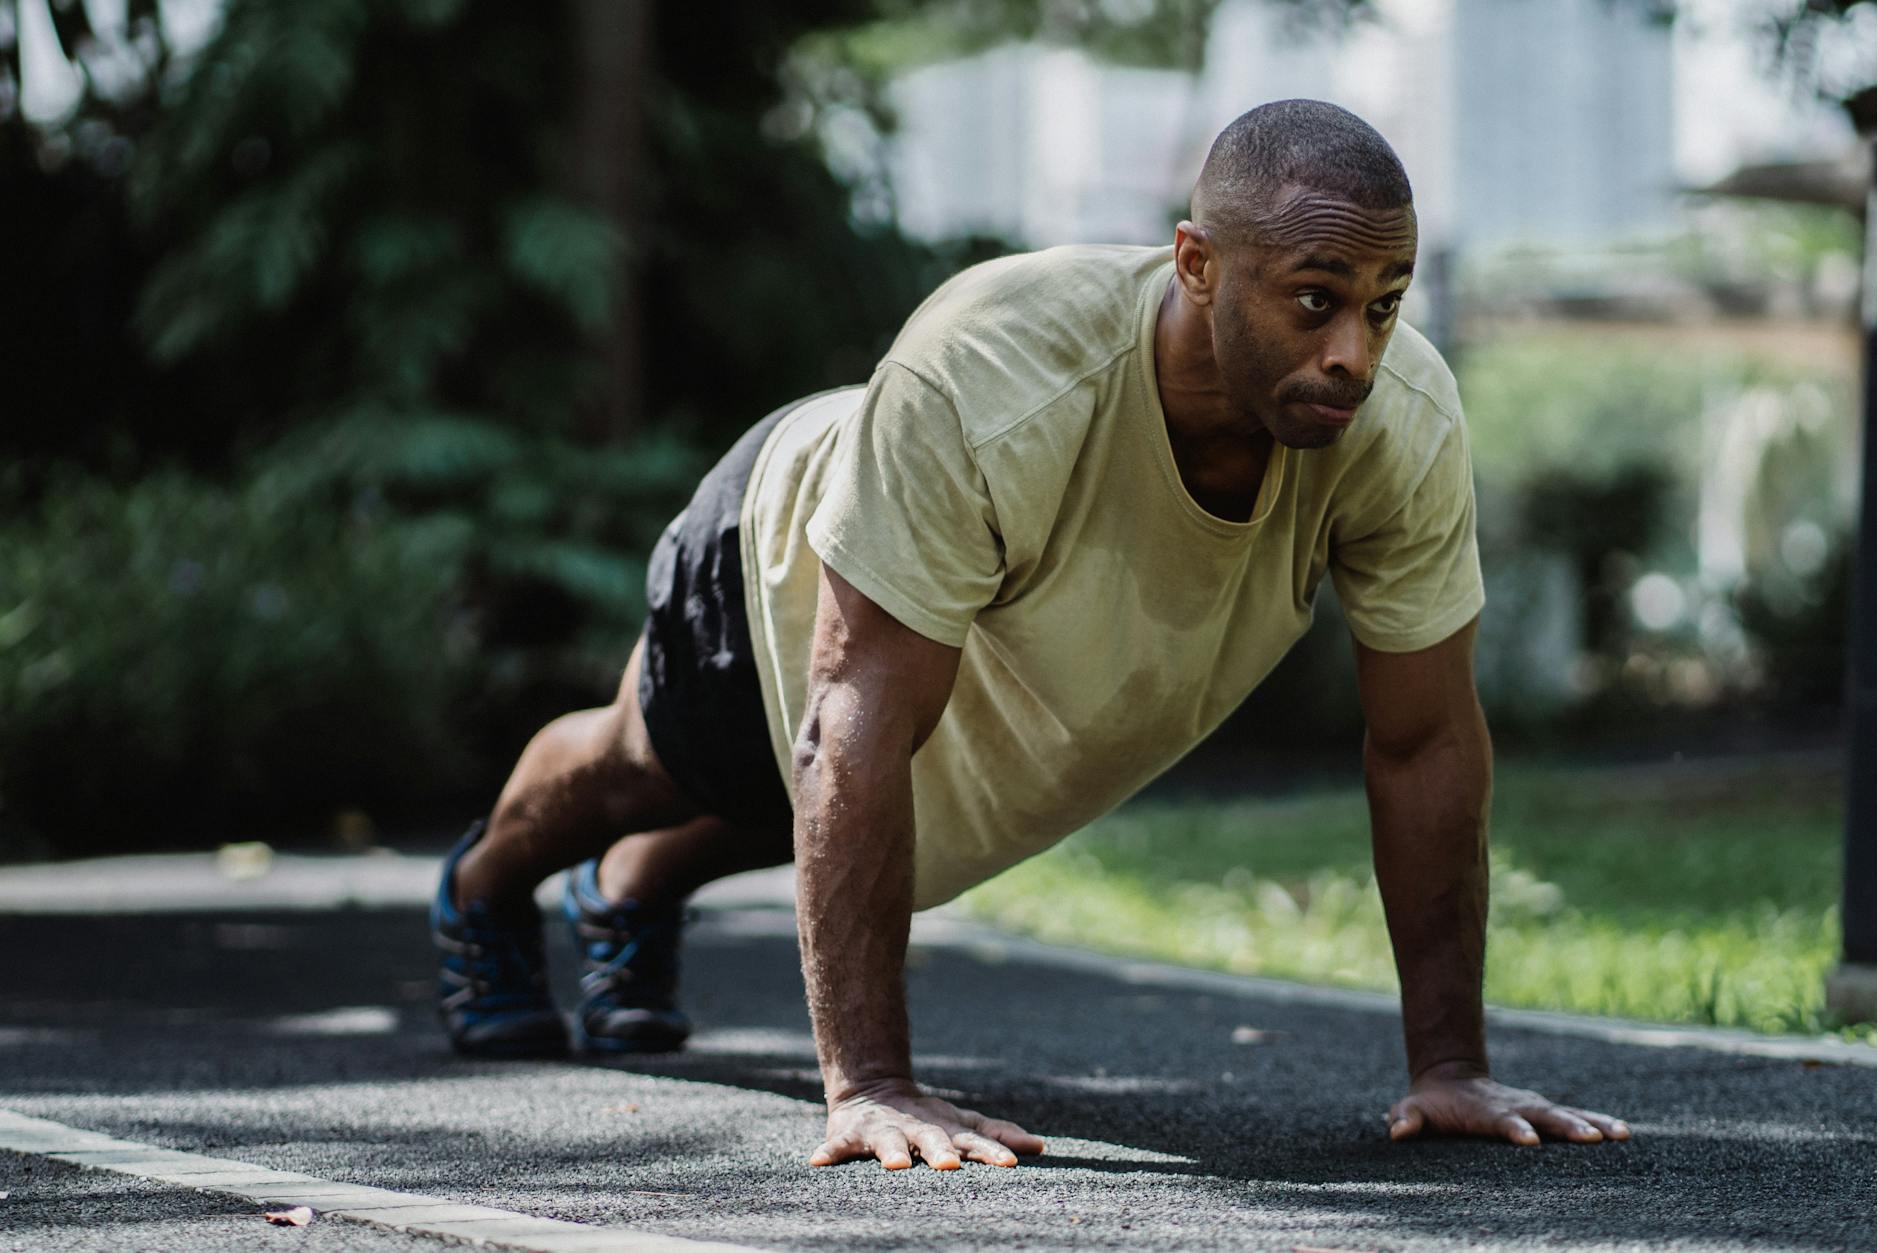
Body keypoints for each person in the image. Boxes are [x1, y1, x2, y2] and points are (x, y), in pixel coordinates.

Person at [430, 98, 1632, 1170]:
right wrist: (869, 1085)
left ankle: (631, 888)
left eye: (1383, 303)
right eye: (1315, 299)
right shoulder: (996, 366)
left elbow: (1422, 743)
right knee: (649, 763)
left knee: (868, 826)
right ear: (1196, 263)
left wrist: (1449, 1065)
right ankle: (484, 888)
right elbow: (847, 721)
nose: (1353, 353)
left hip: (954, 668)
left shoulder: (1399, 422)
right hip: (785, 549)